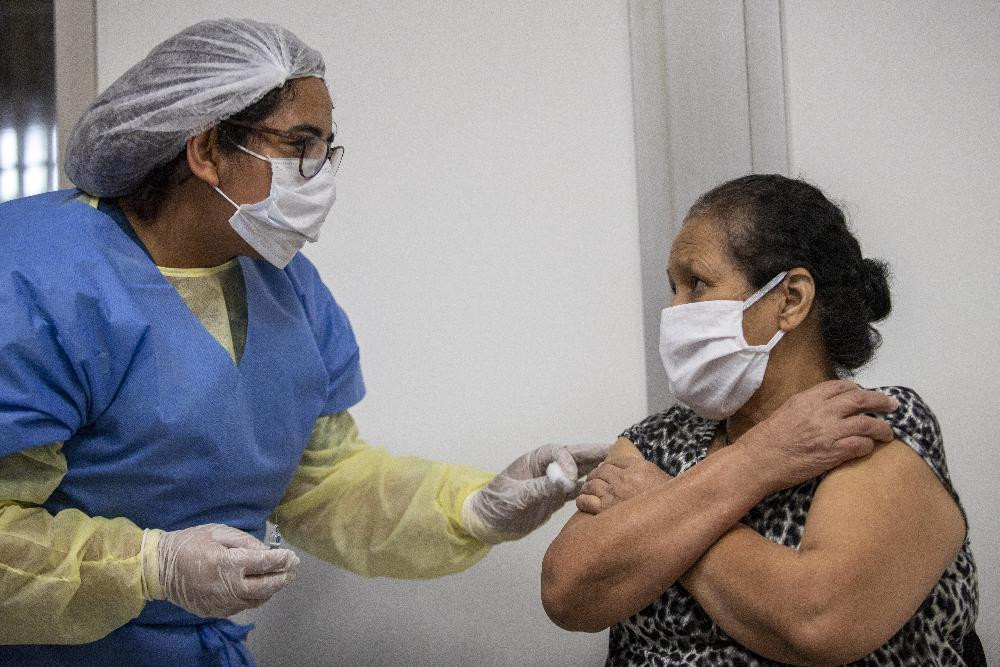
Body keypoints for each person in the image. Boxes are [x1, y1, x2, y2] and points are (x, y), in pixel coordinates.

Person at [0, 19, 609, 664]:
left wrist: (473, 507)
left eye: (326, 148)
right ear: (206, 151)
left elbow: (323, 482)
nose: (318, 173)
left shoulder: (283, 285)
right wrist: (152, 568)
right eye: (300, 144)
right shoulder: (35, 278)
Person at [541, 175, 979, 665]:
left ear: (790, 299)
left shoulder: (871, 424)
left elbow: (815, 623)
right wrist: (758, 460)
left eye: (697, 284)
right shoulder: (657, 439)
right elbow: (567, 592)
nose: (674, 310)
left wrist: (661, 507)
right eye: (673, 288)